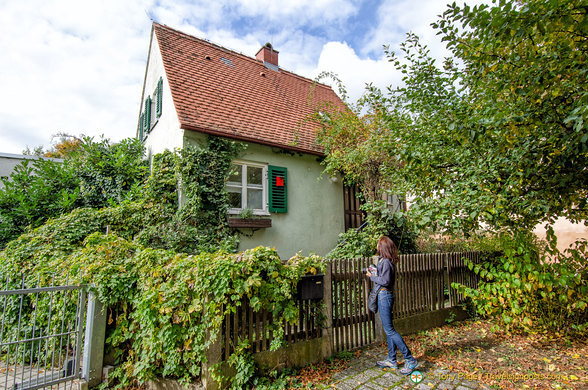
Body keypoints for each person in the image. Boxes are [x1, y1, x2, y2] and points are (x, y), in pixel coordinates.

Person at [366, 236, 419, 375]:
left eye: (378, 245)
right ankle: (391, 359)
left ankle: (410, 359)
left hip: (385, 296)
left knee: (390, 330)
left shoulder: (387, 263)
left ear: (382, 248)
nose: (377, 247)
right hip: (384, 296)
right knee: (388, 329)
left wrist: (371, 276)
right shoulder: (385, 261)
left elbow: (385, 280)